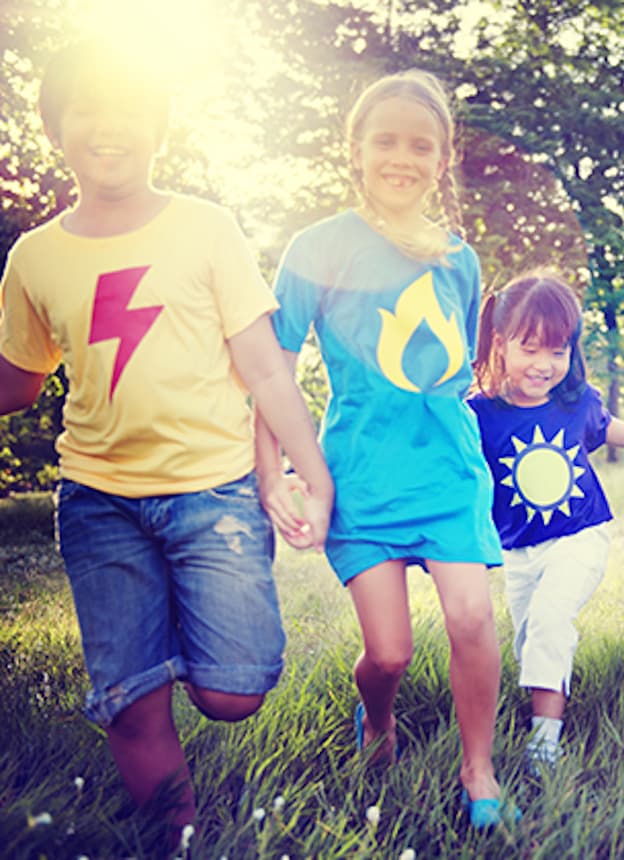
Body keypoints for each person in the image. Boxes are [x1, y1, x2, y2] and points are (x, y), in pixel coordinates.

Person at [0, 40, 333, 837]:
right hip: (98, 503)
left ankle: (179, 630)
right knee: (131, 704)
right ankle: (176, 838)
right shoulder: (36, 258)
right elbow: (18, 380)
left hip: (211, 494)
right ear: (56, 126)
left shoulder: (204, 229)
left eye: (127, 110)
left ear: (158, 125)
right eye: (87, 109)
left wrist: (308, 475)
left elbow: (267, 370)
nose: (108, 127)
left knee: (233, 692)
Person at [253, 70, 518, 828]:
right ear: (357, 151)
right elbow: (270, 365)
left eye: (421, 145)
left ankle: (479, 770)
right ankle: (378, 718)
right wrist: (274, 475)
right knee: (391, 654)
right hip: (361, 478)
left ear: (442, 161)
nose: (402, 158)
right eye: (386, 141)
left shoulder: (459, 259)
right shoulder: (317, 247)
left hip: (445, 472)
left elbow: (456, 367)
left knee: (471, 617)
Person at [469, 271, 624, 775]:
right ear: (500, 345)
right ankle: (536, 708)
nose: (545, 365)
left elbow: (608, 426)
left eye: (558, 351)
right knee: (527, 638)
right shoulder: (479, 413)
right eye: (531, 349)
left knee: (549, 621)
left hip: (579, 535)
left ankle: (545, 745)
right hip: (518, 548)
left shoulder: (575, 399)